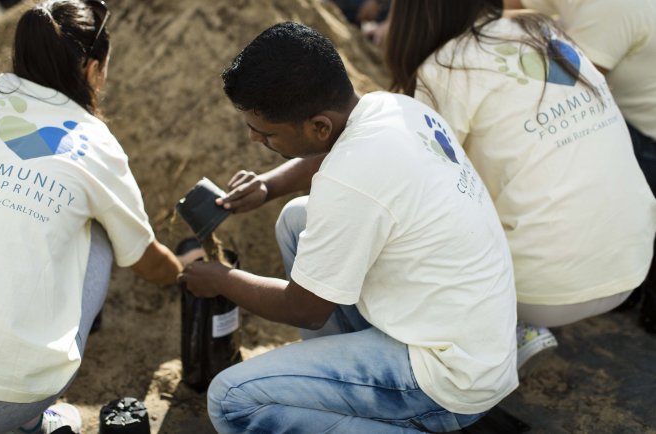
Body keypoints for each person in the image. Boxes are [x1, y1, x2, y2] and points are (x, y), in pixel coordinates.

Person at [182, 21, 518, 433]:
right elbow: (334, 157)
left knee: (231, 399)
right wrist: (268, 186)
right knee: (297, 219)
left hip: (448, 377)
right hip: (474, 338)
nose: (254, 139)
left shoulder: (350, 179)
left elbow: (304, 309)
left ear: (319, 126)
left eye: (265, 133)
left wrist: (220, 279)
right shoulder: (392, 108)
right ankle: (348, 393)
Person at [383, 0, 656, 373]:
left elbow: (416, 187)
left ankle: (496, 332)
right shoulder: (544, 30)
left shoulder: (444, 69)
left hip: (544, 293)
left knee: (423, 208)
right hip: (632, 262)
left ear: (411, 2)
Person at [0, 0, 185, 434]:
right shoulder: (93, 140)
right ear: (91, 69)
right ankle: (31, 422)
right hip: (3, 399)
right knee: (101, 231)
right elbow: (144, 258)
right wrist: (182, 271)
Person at [503, 0, 656, 332]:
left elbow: (563, 86)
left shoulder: (615, 0)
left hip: (646, 132)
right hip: (624, 112)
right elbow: (499, 2)